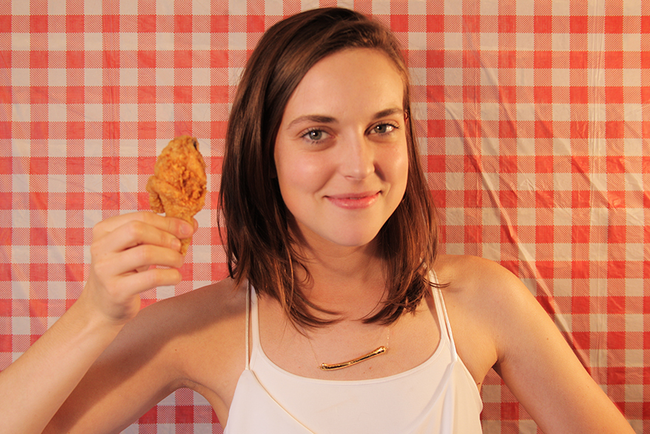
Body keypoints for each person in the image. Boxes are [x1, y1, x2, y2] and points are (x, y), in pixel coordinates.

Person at [0, 7, 635, 434]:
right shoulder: (209, 326)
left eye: (381, 127)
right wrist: (93, 316)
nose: (359, 166)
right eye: (317, 134)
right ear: (265, 152)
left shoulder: (481, 298)